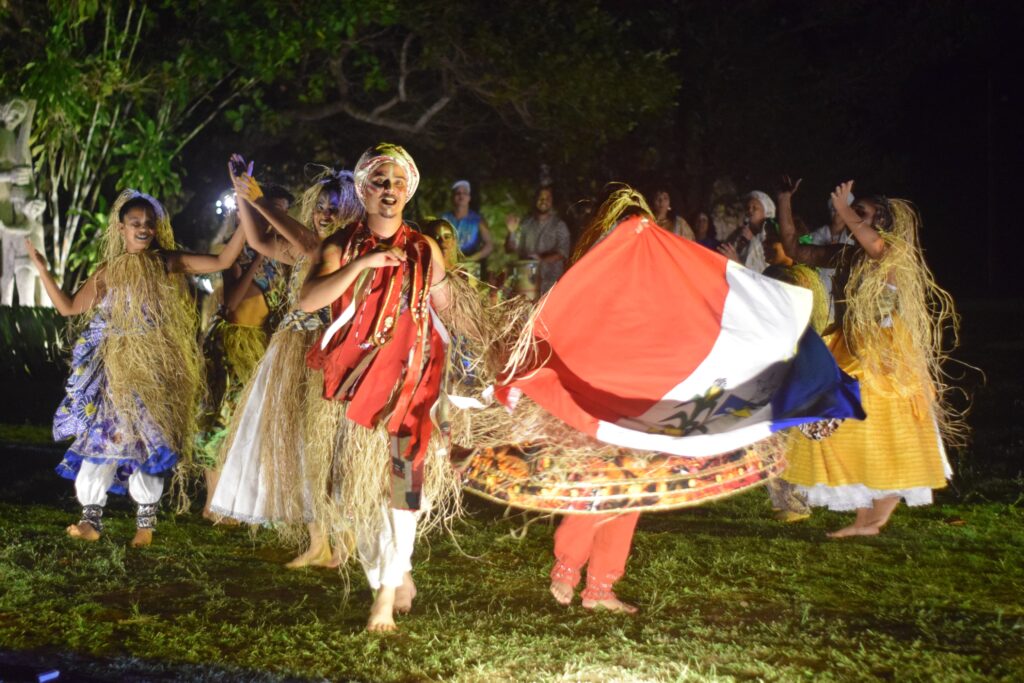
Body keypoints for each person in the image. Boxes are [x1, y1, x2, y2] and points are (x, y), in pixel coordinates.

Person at [458, 186, 862, 613]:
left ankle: (600, 588)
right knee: (602, 485)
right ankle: (567, 568)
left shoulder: (662, 276)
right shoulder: (594, 278)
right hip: (603, 402)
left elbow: (691, 316)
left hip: (647, 404)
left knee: (630, 493)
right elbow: (570, 326)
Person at [301, 143, 464, 632]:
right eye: (379, 181)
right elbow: (310, 300)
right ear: (362, 188)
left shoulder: (423, 249)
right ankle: (389, 576)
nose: (388, 190)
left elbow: (452, 309)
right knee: (360, 498)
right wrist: (361, 267)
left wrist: (506, 340)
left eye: (397, 183)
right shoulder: (341, 246)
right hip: (358, 394)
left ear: (408, 190)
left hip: (412, 391)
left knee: (404, 495)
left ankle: (386, 597)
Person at [25, 189, 246, 546]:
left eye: (148, 223)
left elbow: (222, 260)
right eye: (135, 223)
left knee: (147, 441)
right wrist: (42, 269)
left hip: (152, 371)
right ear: (121, 228)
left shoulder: (166, 262)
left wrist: (248, 211)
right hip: (114, 375)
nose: (143, 229)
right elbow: (68, 308)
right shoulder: (110, 271)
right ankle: (90, 522)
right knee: (101, 441)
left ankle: (145, 525)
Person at [776, 178, 960, 537]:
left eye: (861, 213)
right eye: (852, 213)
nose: (850, 218)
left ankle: (875, 518)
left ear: (882, 222)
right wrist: (784, 200)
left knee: (887, 430)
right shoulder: (848, 254)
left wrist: (844, 207)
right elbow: (796, 251)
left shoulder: (891, 253)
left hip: (883, 354)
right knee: (848, 429)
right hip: (849, 345)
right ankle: (865, 520)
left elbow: (874, 246)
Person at [211, 159, 363, 569]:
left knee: (329, 444)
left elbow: (311, 245)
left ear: (351, 211)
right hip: (290, 349)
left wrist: (258, 197)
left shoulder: (342, 250)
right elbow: (260, 243)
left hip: (326, 350)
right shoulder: (302, 246)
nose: (325, 214)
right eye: (321, 207)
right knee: (296, 440)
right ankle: (319, 543)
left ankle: (345, 539)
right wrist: (244, 194)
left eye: (335, 207)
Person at [198, 183, 294, 520]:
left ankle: (240, 503)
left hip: (264, 347)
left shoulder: (288, 256)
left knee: (251, 426)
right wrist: (257, 258)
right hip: (234, 344)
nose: (276, 218)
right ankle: (211, 503)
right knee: (221, 421)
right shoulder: (236, 251)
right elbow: (231, 302)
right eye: (271, 210)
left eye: (283, 212)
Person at [505, 187, 570, 295]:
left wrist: (541, 260)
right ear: (535, 200)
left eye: (547, 198)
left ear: (552, 201)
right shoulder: (525, 225)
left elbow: (563, 252)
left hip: (552, 284)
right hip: (528, 284)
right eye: (540, 197)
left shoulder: (560, 226)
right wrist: (511, 232)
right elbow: (510, 248)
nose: (544, 201)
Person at [718, 190, 777, 272]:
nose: (750, 211)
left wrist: (736, 262)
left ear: (766, 213)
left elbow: (761, 276)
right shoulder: (738, 234)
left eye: (755, 208)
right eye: (747, 208)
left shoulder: (771, 238)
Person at [440, 180, 493, 263]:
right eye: (458, 193)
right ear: (452, 197)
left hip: (470, 265)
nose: (461, 196)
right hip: (447, 264)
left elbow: (489, 245)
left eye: (465, 193)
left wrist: (472, 258)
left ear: (469, 198)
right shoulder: (444, 219)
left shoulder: (478, 220)